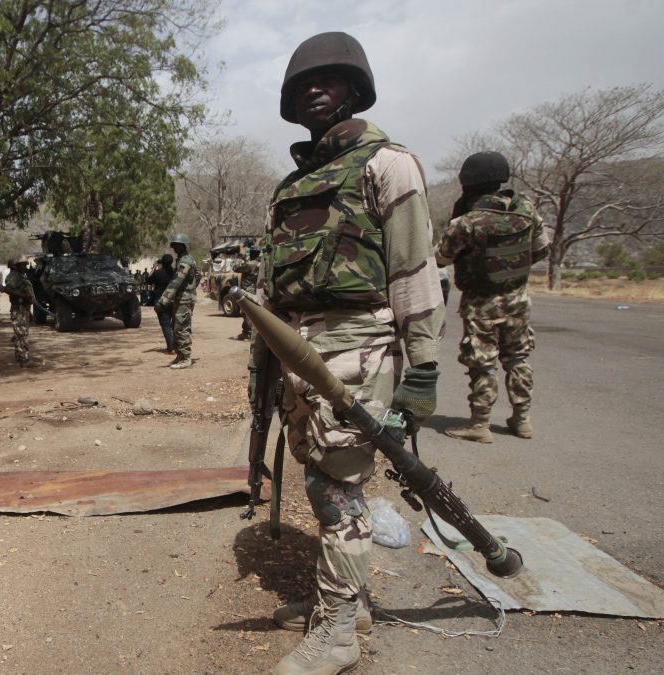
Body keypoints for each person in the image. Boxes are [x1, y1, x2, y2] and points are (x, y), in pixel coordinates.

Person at [262, 32, 444, 674]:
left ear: (355, 89)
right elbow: (274, 288)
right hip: (299, 352)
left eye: (331, 79)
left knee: (338, 487)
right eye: (304, 83)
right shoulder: (291, 185)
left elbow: (414, 271)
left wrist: (422, 368)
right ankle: (345, 602)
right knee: (321, 480)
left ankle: (339, 631)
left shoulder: (387, 164)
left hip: (360, 348)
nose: (315, 88)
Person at [435, 151, 549, 443]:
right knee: (517, 358)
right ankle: (522, 420)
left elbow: (441, 258)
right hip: (518, 300)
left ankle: (480, 424)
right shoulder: (527, 210)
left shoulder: (468, 222)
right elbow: (540, 250)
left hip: (481, 303)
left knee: (482, 363)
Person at [156, 235, 198, 368]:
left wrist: (163, 301)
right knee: (177, 327)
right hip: (183, 299)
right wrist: (191, 288)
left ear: (183, 246)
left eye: (177, 246)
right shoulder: (187, 259)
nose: (174, 248)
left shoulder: (185, 261)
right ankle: (180, 356)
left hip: (184, 300)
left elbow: (176, 282)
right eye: (173, 246)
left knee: (181, 328)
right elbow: (197, 276)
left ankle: (185, 358)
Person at [4, 256, 41, 368]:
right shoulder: (13, 277)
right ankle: (25, 360)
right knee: (22, 335)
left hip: (23, 309)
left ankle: (20, 357)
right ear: (16, 266)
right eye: (23, 265)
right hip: (19, 309)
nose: (25, 266)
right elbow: (9, 290)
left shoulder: (20, 276)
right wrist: (25, 296)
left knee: (20, 334)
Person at [148, 255, 176, 353]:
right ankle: (176, 345)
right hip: (174, 301)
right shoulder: (175, 273)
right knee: (174, 324)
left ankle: (171, 347)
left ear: (162, 263)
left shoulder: (157, 273)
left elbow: (147, 281)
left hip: (161, 302)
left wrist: (154, 267)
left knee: (165, 324)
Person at [236, 246, 261, 340]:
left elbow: (235, 268)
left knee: (247, 313)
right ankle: (246, 332)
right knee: (247, 312)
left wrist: (240, 259)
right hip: (254, 290)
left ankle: (249, 333)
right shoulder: (259, 264)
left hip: (247, 290)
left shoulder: (249, 265)